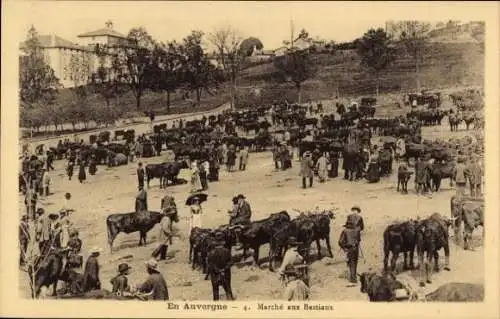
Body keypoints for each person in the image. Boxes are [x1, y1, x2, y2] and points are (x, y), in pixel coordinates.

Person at [338, 215, 362, 284]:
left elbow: (340, 242)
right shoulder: (357, 231)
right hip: (356, 248)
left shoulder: (345, 231)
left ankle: (353, 279)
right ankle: (354, 277)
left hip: (350, 249)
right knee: (355, 262)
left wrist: (344, 248)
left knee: (351, 263)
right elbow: (359, 240)